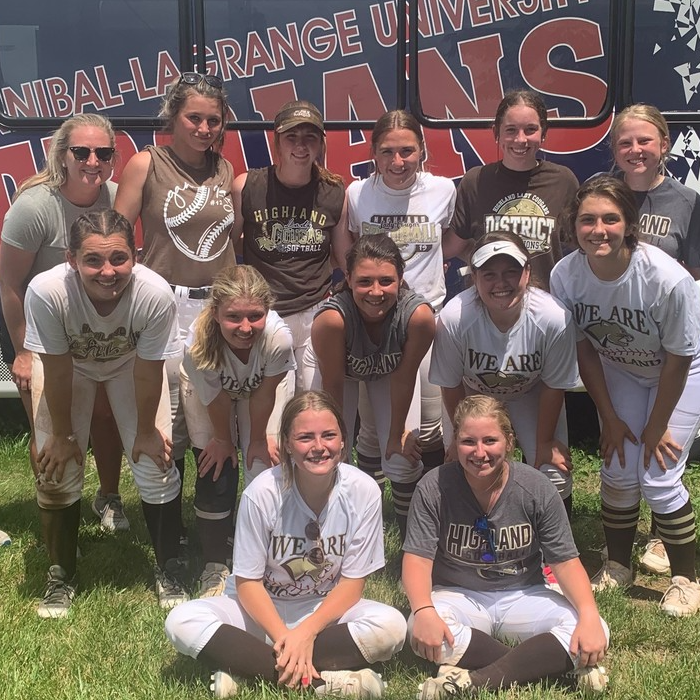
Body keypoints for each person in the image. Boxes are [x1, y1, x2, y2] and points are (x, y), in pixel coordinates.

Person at [165, 391, 407, 699]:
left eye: (329, 435)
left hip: (325, 608)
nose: (319, 447)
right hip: (260, 609)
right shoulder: (262, 493)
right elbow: (247, 583)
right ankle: (324, 683)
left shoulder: (364, 491)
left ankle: (246, 666)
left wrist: (306, 633)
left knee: (393, 626)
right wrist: (285, 636)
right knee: (181, 621)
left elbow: (352, 584)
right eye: (305, 437)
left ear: (344, 441)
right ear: (287, 445)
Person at [24, 209, 187, 616]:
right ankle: (61, 574)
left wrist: (147, 431)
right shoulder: (47, 292)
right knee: (54, 466)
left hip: (130, 364)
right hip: (71, 367)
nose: (108, 271)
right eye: (93, 260)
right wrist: (63, 436)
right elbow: (58, 369)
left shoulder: (154, 293)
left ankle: (168, 568)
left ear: (136, 255)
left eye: (119, 258)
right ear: (71, 259)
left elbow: (150, 371)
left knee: (156, 463)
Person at [550, 176, 700, 616]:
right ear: (574, 226)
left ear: (629, 225)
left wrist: (656, 425)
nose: (599, 229)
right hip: (623, 369)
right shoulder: (566, 274)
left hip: (682, 371)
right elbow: (583, 349)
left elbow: (679, 356)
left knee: (658, 473)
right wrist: (610, 417)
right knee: (616, 465)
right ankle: (618, 565)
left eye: (611, 219)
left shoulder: (664, 277)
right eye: (588, 220)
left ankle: (686, 579)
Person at [403, 395, 609, 699]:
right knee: (417, 627)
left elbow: (565, 562)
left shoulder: (536, 487)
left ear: (509, 441)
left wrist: (589, 614)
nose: (480, 452)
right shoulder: (434, 486)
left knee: (597, 627)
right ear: (455, 443)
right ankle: (552, 665)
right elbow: (418, 559)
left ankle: (474, 681)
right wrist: (422, 609)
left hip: (524, 592)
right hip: (458, 594)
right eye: (468, 442)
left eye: (490, 440)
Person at [115, 71, 237, 541]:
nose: (204, 129)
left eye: (213, 120)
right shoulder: (146, 164)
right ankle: (170, 527)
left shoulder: (225, 170)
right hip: (163, 306)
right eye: (194, 119)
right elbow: (118, 235)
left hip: (214, 310)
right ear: (173, 117)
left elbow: (235, 237)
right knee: (167, 419)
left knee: (209, 411)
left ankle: (212, 526)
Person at [0, 113, 128, 532]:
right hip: (37, 332)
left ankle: (108, 499)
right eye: (82, 151)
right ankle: (54, 511)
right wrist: (22, 353)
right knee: (49, 424)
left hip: (94, 331)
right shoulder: (36, 206)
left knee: (105, 416)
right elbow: (10, 285)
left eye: (103, 152)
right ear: (63, 155)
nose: (93, 161)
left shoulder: (115, 196)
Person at [430, 231, 577, 514]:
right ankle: (470, 534)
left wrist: (544, 443)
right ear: (474, 277)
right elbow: (450, 384)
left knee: (552, 471)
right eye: (489, 274)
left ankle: (553, 549)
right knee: (465, 463)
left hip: (530, 391)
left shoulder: (553, 317)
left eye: (511, 272)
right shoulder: (455, 317)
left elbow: (553, 385)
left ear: (527, 272)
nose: (501, 283)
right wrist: (460, 436)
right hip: (473, 395)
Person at [345, 109, 457, 480]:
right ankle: (369, 502)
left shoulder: (443, 189)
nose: (398, 162)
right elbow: (351, 247)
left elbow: (452, 238)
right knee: (372, 426)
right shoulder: (357, 193)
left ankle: (428, 501)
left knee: (429, 422)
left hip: (427, 317)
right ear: (373, 153)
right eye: (387, 152)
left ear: (422, 150)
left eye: (407, 151)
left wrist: (436, 261)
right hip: (374, 321)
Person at [303, 235, 435, 539]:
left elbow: (404, 377)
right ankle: (336, 537)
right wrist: (339, 441)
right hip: (338, 373)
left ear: (401, 279)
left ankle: (411, 546)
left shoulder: (418, 316)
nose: (376, 292)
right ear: (347, 279)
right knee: (328, 454)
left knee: (402, 458)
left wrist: (397, 434)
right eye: (364, 281)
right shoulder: (332, 320)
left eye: (386, 281)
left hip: (390, 371)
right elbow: (334, 384)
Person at [181, 264, 295, 597]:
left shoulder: (278, 337)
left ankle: (268, 558)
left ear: (268, 311)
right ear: (215, 313)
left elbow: (263, 394)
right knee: (215, 463)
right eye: (234, 317)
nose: (245, 327)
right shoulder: (197, 343)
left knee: (265, 464)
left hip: (263, 388)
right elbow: (216, 400)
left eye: (255, 316)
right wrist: (222, 439)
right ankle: (215, 565)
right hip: (211, 391)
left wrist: (257, 439)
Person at [232, 99, 351, 390]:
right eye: (292, 137)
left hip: (315, 314)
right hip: (266, 315)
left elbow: (343, 256)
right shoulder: (247, 186)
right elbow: (230, 248)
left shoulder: (334, 192)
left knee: (311, 407)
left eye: (310, 136)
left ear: (321, 145)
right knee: (271, 415)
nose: (301, 145)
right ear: (277, 142)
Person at [450, 89, 579, 289]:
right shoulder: (475, 181)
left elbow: (579, 244)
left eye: (530, 129)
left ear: (543, 133)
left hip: (544, 300)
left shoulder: (563, 181)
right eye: (511, 130)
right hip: (491, 300)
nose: (521, 139)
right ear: (496, 133)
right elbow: (454, 244)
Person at [609, 103, 700, 279]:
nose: (635, 150)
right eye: (625, 143)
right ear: (615, 150)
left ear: (664, 145)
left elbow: (695, 276)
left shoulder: (688, 202)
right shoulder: (597, 189)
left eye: (644, 141)